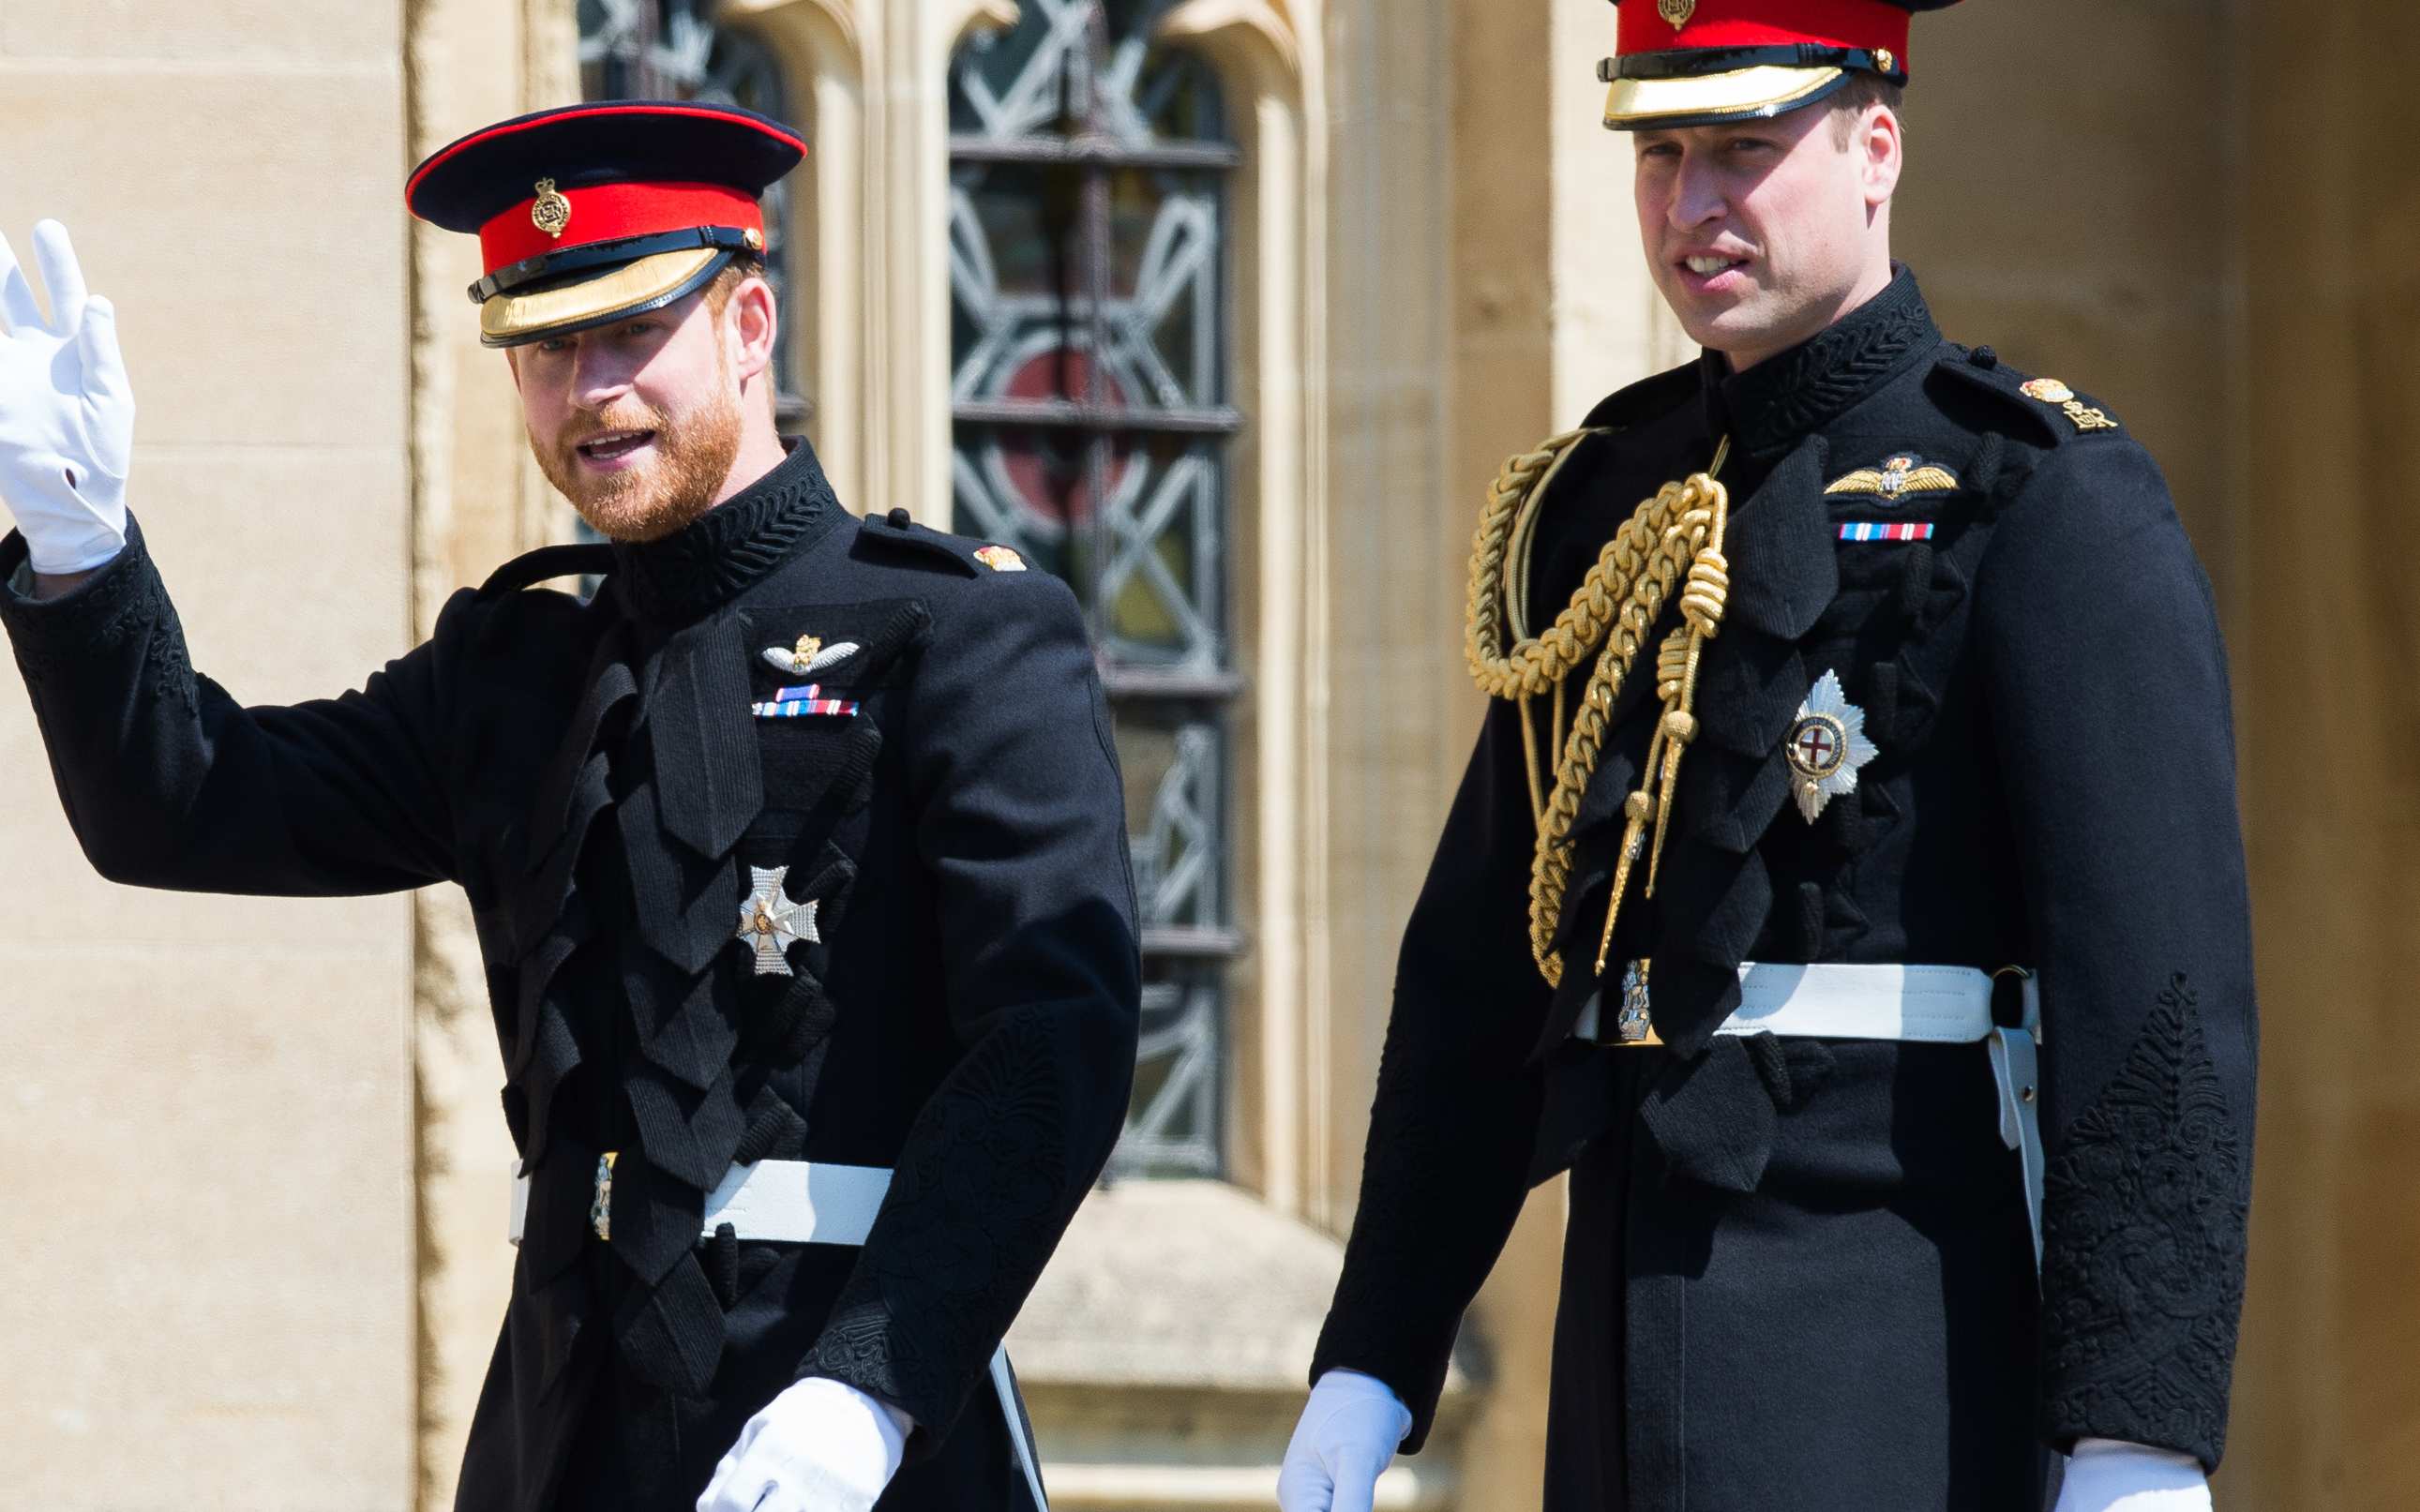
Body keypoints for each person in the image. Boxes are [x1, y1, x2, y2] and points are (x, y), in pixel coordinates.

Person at [0, 100, 1140, 1512]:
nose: (588, 389)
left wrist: (870, 1385)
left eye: (627, 332)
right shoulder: (519, 675)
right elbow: (182, 805)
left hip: (849, 1431)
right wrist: (78, 552)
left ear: (747, 321)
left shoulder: (957, 634)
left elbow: (1051, 1044)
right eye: (544, 348)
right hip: (561, 1439)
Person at [1275, 3, 2254, 1510]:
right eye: (1658, 152)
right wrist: (1375, 1350)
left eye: (1742, 147)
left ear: (1876, 149)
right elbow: (1482, 966)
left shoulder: (2035, 493)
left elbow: (2156, 1000)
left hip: (1893, 1348)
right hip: (1619, 1343)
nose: (1690, 205)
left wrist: (2137, 1429)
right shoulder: (1604, 496)